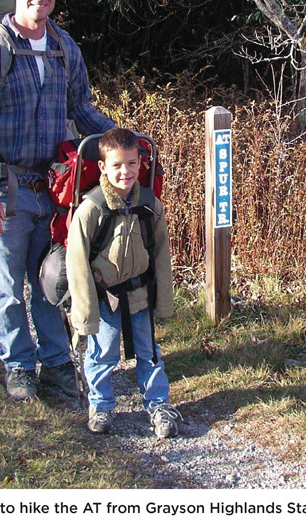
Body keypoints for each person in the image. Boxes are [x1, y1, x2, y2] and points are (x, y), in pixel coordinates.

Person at [0, 0, 116, 401]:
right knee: (6, 286)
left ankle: (58, 363)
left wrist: (124, 141)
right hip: (1, 190)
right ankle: (19, 366)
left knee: (50, 280)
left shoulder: (64, 47)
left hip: (51, 189)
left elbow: (80, 109)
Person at [65, 128, 179, 438]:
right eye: (116, 165)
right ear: (102, 167)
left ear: (141, 162)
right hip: (104, 297)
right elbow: (76, 264)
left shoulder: (149, 204)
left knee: (149, 351)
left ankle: (158, 406)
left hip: (139, 293)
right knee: (103, 354)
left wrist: (163, 302)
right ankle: (101, 407)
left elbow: (160, 255)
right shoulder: (92, 208)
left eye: (131, 163)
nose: (125, 171)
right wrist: (85, 315)